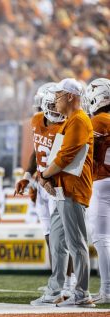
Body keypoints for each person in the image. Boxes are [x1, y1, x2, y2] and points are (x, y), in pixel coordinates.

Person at [37, 78, 94, 307]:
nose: (55, 101)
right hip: (62, 189)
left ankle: (82, 294)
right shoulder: (72, 121)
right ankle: (54, 291)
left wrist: (44, 176)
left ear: (70, 96)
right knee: (58, 242)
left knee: (76, 243)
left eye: (58, 95)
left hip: (72, 189)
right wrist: (47, 177)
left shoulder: (79, 120)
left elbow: (64, 158)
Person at [15, 83, 75, 297]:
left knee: (63, 236)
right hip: (42, 184)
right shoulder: (35, 121)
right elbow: (35, 153)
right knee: (50, 234)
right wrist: (26, 176)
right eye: (50, 104)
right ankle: (57, 279)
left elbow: (63, 160)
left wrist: (43, 177)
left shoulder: (68, 125)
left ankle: (69, 282)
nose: (55, 109)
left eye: (55, 103)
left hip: (57, 184)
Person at [83, 78, 110, 304]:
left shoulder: (97, 121)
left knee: (102, 238)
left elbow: (82, 152)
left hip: (102, 181)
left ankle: (107, 289)